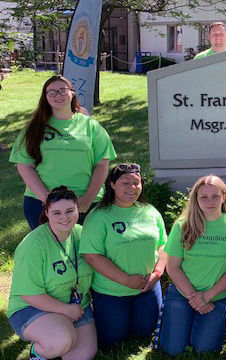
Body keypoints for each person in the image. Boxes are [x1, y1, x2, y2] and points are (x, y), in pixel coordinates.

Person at [9, 75, 116, 230]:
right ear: (45, 97)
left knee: (87, 252)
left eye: (62, 90)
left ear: (72, 93)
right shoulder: (34, 128)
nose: (57, 95)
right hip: (41, 203)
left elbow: (102, 164)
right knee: (50, 253)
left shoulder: (91, 126)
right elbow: (25, 165)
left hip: (85, 204)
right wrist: (47, 199)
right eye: (51, 92)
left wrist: (87, 198)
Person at [158, 175, 226, 354]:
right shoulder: (182, 226)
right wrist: (195, 297)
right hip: (183, 293)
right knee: (172, 349)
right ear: (196, 199)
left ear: (224, 197)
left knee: (205, 349)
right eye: (204, 197)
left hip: (217, 295)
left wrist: (207, 296)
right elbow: (173, 267)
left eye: (215, 196)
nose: (210, 201)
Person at [79, 163, 167, 349]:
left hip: (147, 288)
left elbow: (163, 246)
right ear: (112, 185)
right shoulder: (98, 217)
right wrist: (126, 280)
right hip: (112, 292)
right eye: (125, 183)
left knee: (145, 333)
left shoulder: (150, 211)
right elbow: (92, 256)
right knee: (112, 341)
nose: (132, 188)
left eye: (136, 183)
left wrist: (157, 274)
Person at [8, 186, 96, 360]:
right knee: (60, 341)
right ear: (47, 213)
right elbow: (28, 294)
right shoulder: (33, 245)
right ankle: (38, 353)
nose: (64, 218)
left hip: (76, 305)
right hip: (33, 307)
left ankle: (60, 332)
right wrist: (65, 310)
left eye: (70, 210)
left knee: (83, 356)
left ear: (78, 209)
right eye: (56, 213)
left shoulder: (82, 234)